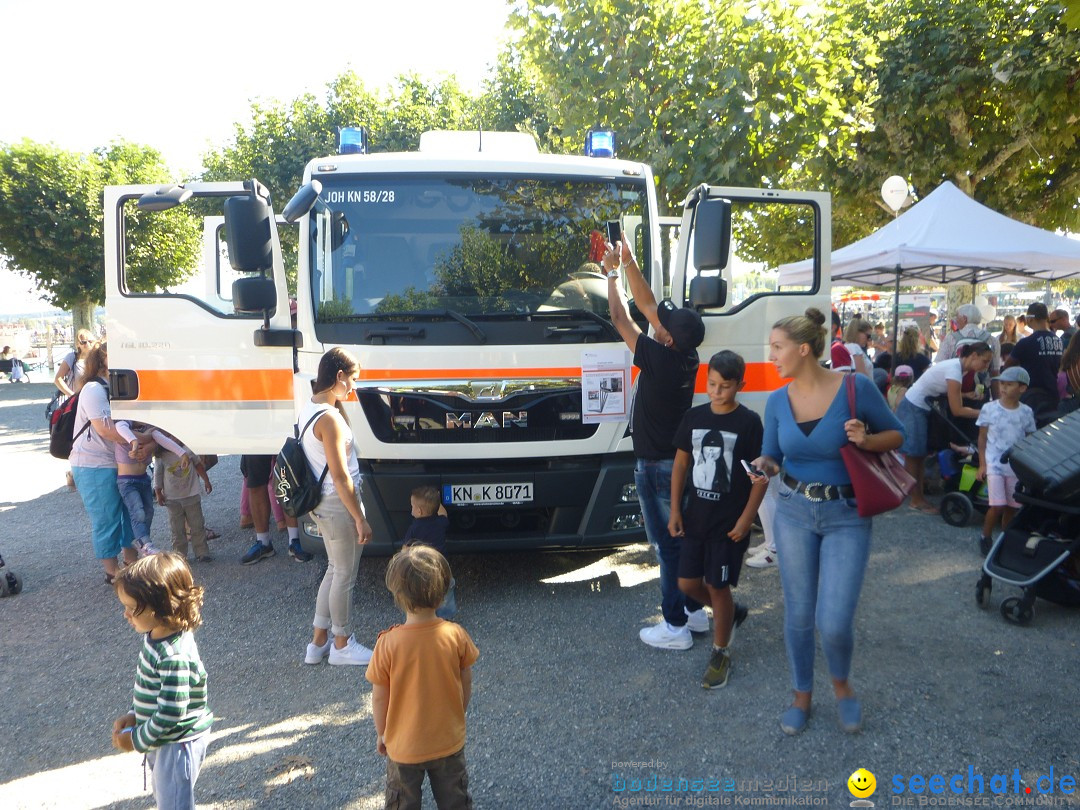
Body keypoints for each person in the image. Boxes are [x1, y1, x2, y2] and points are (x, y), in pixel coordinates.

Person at [749, 308, 903, 735]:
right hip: (794, 512)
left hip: (846, 515)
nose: (772, 356)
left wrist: (867, 439)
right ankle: (802, 695)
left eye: (777, 348)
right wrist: (764, 464)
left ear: (803, 349)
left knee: (833, 620)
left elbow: (898, 435)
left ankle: (842, 686)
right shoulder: (777, 401)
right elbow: (773, 456)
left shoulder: (857, 387)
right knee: (798, 615)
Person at [602, 234, 708, 650]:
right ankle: (696, 613)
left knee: (666, 547)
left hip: (656, 466)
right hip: (677, 462)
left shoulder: (659, 358)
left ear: (667, 337)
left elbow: (620, 317)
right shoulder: (686, 354)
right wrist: (628, 260)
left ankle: (675, 626)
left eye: (665, 323)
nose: (659, 319)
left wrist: (610, 273)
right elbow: (648, 305)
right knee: (682, 540)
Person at [668, 351, 767, 689]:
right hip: (695, 519)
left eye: (725, 386)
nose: (716, 392)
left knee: (717, 585)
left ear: (741, 384)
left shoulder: (749, 422)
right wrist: (675, 510)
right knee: (686, 584)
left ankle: (721, 651)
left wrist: (747, 519)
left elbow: (760, 477)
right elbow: (681, 464)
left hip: (728, 526)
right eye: (711, 384)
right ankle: (731, 614)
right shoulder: (693, 417)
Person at [367, 544, 479, 810]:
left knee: (403, 801)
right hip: (447, 739)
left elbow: (380, 696)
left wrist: (382, 733)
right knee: (455, 799)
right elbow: (466, 681)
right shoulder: (455, 635)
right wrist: (457, 713)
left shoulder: (388, 643)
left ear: (397, 595)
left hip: (403, 745)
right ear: (442, 594)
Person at [111, 554, 213, 810]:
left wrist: (135, 739)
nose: (125, 614)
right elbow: (154, 690)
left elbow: (171, 712)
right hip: (161, 738)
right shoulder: (155, 635)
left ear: (161, 606)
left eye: (132, 608)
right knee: (166, 798)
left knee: (175, 804)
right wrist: (135, 714)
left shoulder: (173, 655)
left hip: (177, 743)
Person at [301, 347, 376, 667]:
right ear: (339, 376)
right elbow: (341, 475)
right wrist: (360, 518)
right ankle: (342, 644)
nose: (354, 387)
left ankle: (318, 643)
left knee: (334, 569)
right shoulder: (330, 419)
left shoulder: (311, 407)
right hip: (337, 503)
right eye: (353, 379)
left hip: (323, 503)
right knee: (345, 574)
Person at [69, 344, 143, 583]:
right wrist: (140, 440)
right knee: (106, 517)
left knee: (128, 512)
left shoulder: (117, 385)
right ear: (103, 360)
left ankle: (130, 561)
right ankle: (112, 572)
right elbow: (104, 428)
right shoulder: (93, 388)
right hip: (93, 464)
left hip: (115, 461)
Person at [896, 342, 993, 514]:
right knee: (913, 455)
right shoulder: (955, 370)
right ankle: (916, 500)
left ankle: (918, 497)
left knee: (919, 455)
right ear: (974, 356)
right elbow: (958, 410)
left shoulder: (956, 367)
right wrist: (986, 413)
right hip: (914, 407)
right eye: (985, 361)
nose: (986, 366)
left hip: (919, 406)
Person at [975, 367, 1037, 552]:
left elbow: (1031, 438)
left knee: (1012, 505)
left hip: (1016, 466)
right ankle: (985, 536)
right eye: (1002, 384)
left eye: (1009, 384)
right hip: (995, 463)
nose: (1003, 388)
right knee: (997, 505)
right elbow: (982, 438)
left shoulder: (1026, 412)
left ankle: (1005, 539)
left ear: (1022, 388)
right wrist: (982, 464)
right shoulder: (989, 409)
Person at [154, 439, 214, 562]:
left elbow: (198, 465)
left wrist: (206, 481)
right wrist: (158, 492)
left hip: (191, 493)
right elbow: (158, 475)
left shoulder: (188, 450)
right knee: (177, 529)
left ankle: (202, 552)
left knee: (197, 525)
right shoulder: (161, 456)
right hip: (172, 498)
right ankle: (179, 555)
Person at [54, 328, 97, 490]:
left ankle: (82, 472)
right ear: (78, 344)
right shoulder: (72, 357)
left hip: (93, 400)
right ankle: (75, 472)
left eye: (90, 341)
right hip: (77, 404)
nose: (87, 345)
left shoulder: (97, 358)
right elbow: (58, 379)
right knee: (76, 438)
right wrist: (72, 395)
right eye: (83, 342)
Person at [405, 485, 457, 619]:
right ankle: (446, 617)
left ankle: (426, 617)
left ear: (419, 511)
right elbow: (443, 513)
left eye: (412, 506)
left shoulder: (414, 528)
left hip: (422, 567)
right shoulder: (440, 522)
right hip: (441, 566)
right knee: (446, 589)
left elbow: (406, 549)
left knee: (424, 591)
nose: (411, 509)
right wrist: (437, 502)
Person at [1006, 302, 1063, 423]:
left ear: (1029, 319)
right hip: (1054, 392)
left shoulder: (1025, 343)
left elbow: (1008, 365)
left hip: (1032, 396)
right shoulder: (1058, 341)